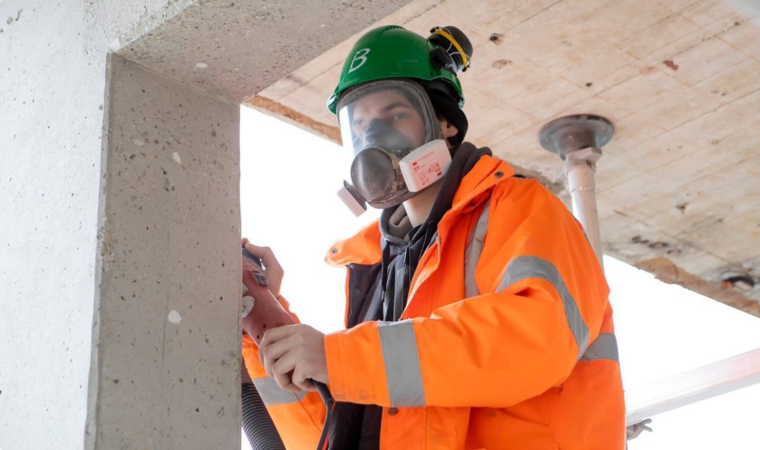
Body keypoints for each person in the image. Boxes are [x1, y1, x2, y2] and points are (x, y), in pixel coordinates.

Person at [242, 25, 625, 450]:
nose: (373, 138)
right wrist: (259, 322)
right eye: (360, 124)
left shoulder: (519, 209)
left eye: (394, 116)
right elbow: (341, 429)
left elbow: (534, 341)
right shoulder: (377, 265)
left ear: (444, 123)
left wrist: (338, 357)